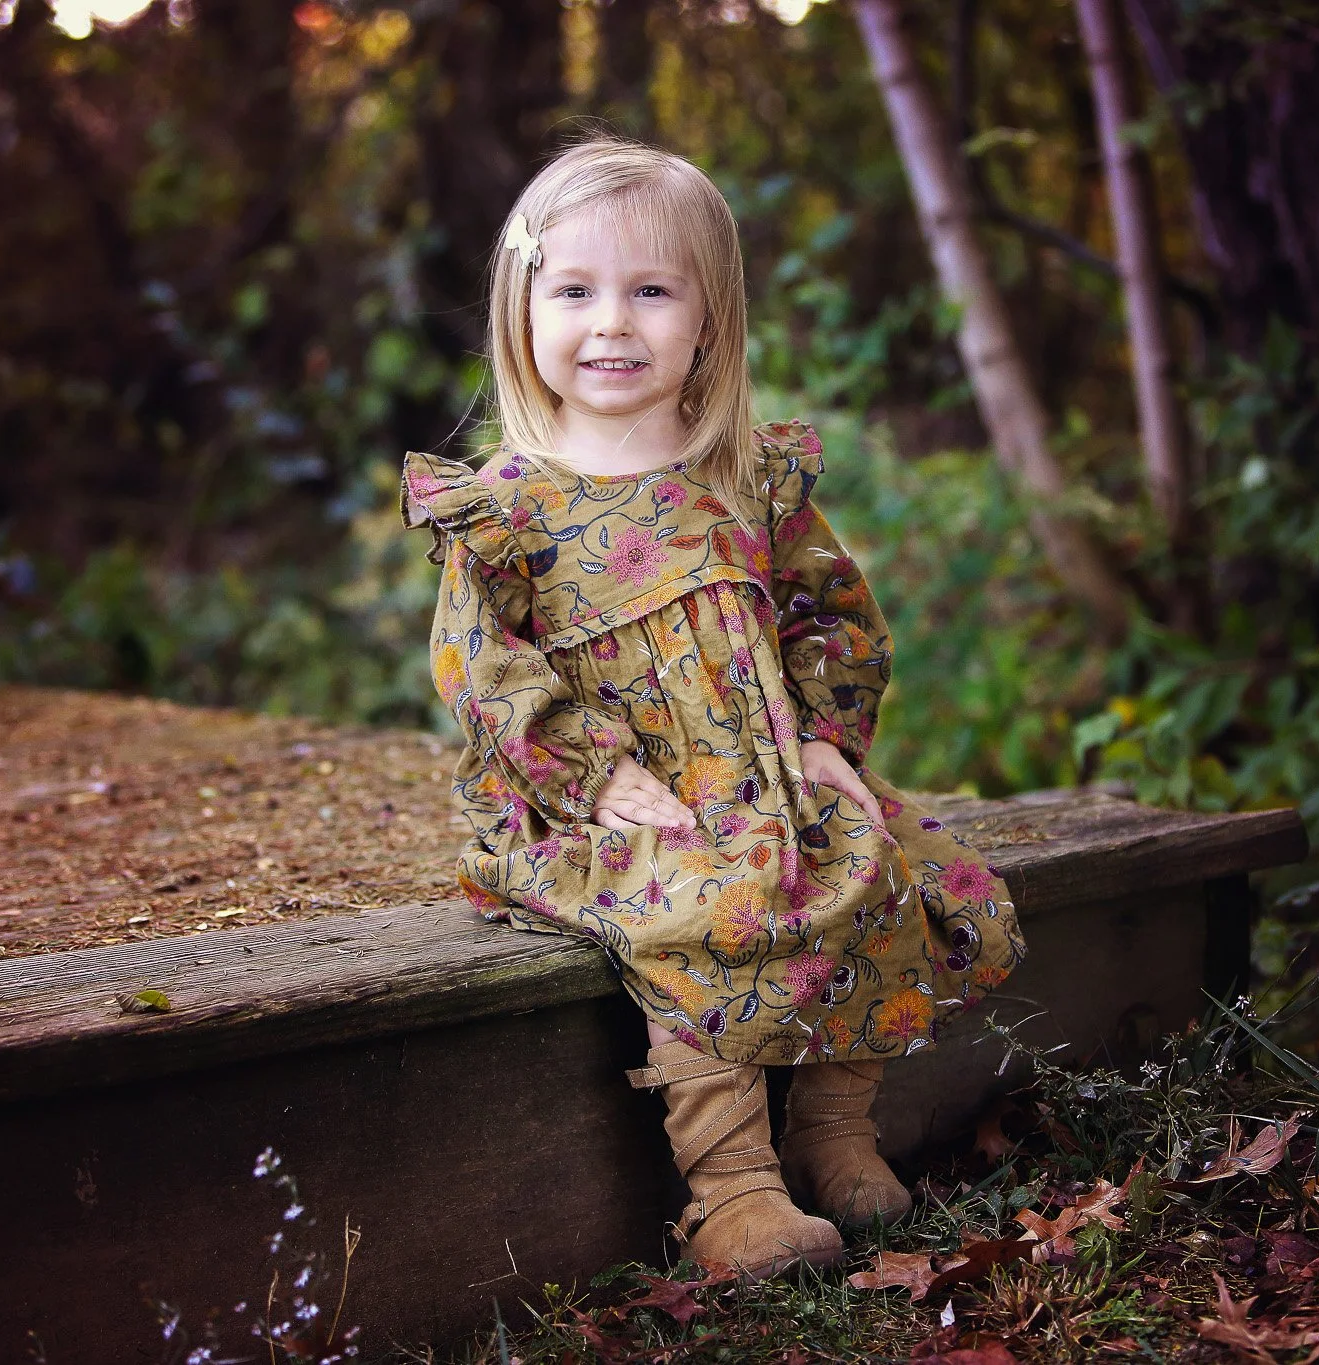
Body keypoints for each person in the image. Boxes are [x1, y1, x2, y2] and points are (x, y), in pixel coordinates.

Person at [400, 137, 1025, 1280]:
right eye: (575, 291)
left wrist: (828, 741)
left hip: (764, 771)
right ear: (521, 305)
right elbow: (480, 666)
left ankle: (832, 1136)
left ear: (708, 317)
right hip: (603, 801)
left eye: (650, 291)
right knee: (703, 907)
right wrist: (592, 773)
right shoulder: (504, 503)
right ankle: (731, 1194)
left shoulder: (743, 474)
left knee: (888, 866)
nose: (611, 325)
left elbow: (829, 616)